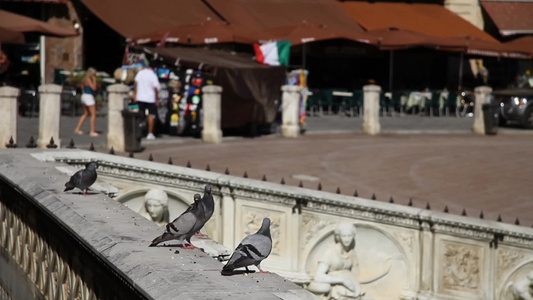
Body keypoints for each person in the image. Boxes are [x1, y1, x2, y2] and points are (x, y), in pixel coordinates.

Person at [309, 222, 365, 299]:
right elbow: (318, 276)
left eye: (349, 236)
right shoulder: (331, 251)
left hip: (353, 289)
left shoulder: (352, 253)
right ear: (338, 237)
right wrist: (342, 281)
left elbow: (358, 276)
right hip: (337, 289)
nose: (347, 239)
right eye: (344, 236)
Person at [134, 63, 160, 140]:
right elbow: (156, 88)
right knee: (151, 115)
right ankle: (150, 133)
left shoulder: (140, 73)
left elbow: (135, 83)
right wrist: (157, 98)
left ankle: (138, 130)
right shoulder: (153, 75)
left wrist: (136, 94)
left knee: (140, 113)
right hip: (150, 98)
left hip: (140, 97)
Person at [74, 67, 100, 136]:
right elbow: (94, 88)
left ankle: (77, 128)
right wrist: (94, 80)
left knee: (85, 113)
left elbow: (82, 87)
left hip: (84, 95)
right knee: (93, 114)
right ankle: (92, 131)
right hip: (89, 97)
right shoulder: (89, 79)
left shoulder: (84, 79)